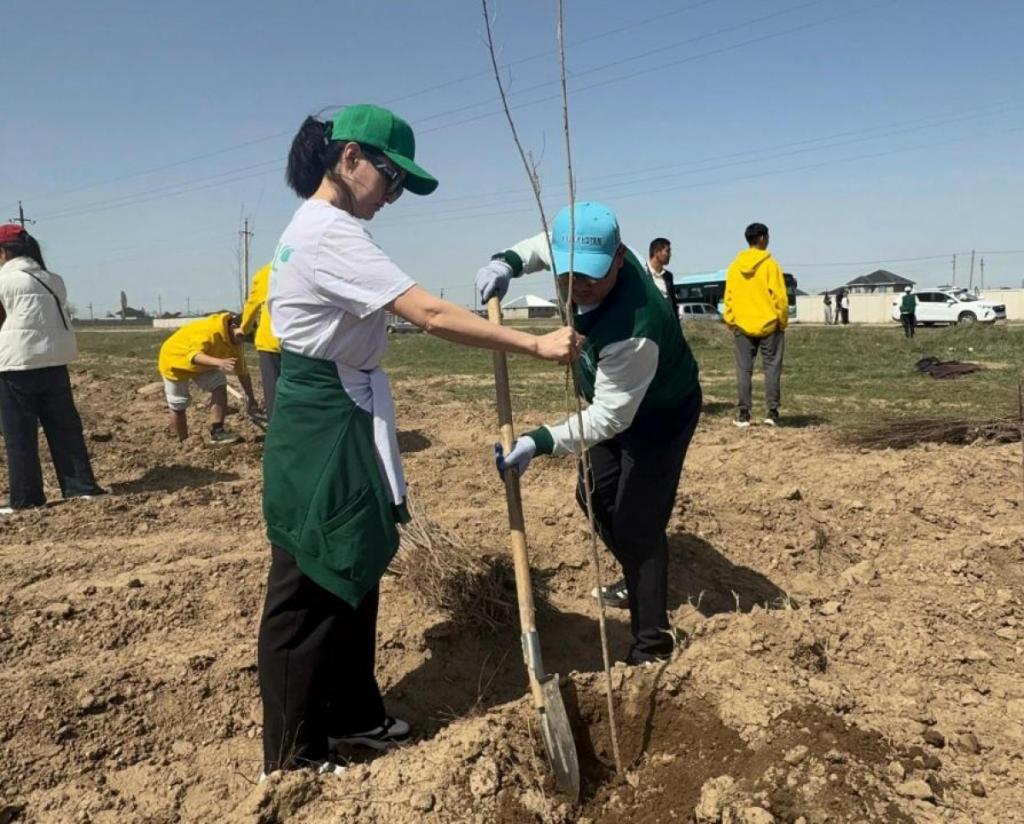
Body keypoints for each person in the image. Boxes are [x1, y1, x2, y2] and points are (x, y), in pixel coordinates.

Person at [258, 104, 580, 777]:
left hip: (338, 407)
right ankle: (292, 759)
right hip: (325, 421)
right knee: (310, 580)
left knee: (353, 561)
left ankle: (352, 714)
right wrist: (532, 344)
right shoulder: (328, 234)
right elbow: (428, 313)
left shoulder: (325, 227)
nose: (392, 194)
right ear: (349, 158)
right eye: (391, 177)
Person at [477, 201, 702, 666]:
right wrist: (506, 262)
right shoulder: (578, 250)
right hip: (611, 400)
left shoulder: (635, 327)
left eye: (591, 276)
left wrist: (538, 441)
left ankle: (652, 644)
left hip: (659, 413)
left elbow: (610, 419)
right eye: (568, 275)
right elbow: (541, 247)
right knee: (593, 494)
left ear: (619, 257)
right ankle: (639, 575)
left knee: (638, 525)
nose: (578, 285)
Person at [0, 224, 106, 513]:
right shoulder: (54, 279)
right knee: (65, 427)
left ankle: (26, 498)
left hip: (16, 365)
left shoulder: (4, 280)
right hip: (55, 361)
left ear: (4, 252)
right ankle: (81, 487)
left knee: (19, 433)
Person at [157, 311, 259, 444]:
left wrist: (251, 398)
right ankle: (183, 442)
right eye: (242, 337)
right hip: (175, 362)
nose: (242, 341)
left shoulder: (236, 341)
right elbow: (193, 356)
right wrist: (219, 362)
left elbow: (242, 373)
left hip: (203, 364)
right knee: (179, 405)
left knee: (219, 384)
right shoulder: (209, 331)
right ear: (234, 327)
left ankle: (217, 432)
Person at [722, 222, 788, 427]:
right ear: (761, 238)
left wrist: (731, 321)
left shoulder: (734, 266)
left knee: (744, 370)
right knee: (772, 368)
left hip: (742, 325)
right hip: (769, 325)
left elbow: (729, 296)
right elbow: (779, 297)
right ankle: (772, 413)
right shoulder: (771, 265)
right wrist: (782, 321)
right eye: (767, 236)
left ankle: (744, 414)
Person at [240, 262, 281, 416]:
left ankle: (275, 425)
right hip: (303, 343)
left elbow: (252, 305)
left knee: (273, 391)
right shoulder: (309, 266)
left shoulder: (267, 272)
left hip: (271, 342)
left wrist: (244, 329)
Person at [646, 237, 680, 319]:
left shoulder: (668, 276)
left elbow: (673, 304)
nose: (670, 255)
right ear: (656, 252)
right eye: (667, 251)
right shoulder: (643, 273)